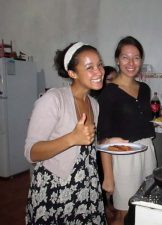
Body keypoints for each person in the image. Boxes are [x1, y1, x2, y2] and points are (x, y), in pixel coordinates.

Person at [24, 42, 124, 225]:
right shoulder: (53, 100)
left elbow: (85, 146)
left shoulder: (94, 104)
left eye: (99, 64)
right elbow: (31, 152)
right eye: (89, 67)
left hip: (87, 186)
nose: (99, 71)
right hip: (56, 190)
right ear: (72, 73)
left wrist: (108, 142)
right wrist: (71, 138)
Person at [97, 36, 157, 225]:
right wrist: (108, 176)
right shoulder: (109, 92)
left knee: (145, 206)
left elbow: (142, 120)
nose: (131, 63)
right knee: (123, 212)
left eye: (136, 57)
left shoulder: (145, 89)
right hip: (124, 156)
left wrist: (158, 122)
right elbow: (103, 136)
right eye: (125, 57)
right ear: (117, 59)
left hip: (148, 151)